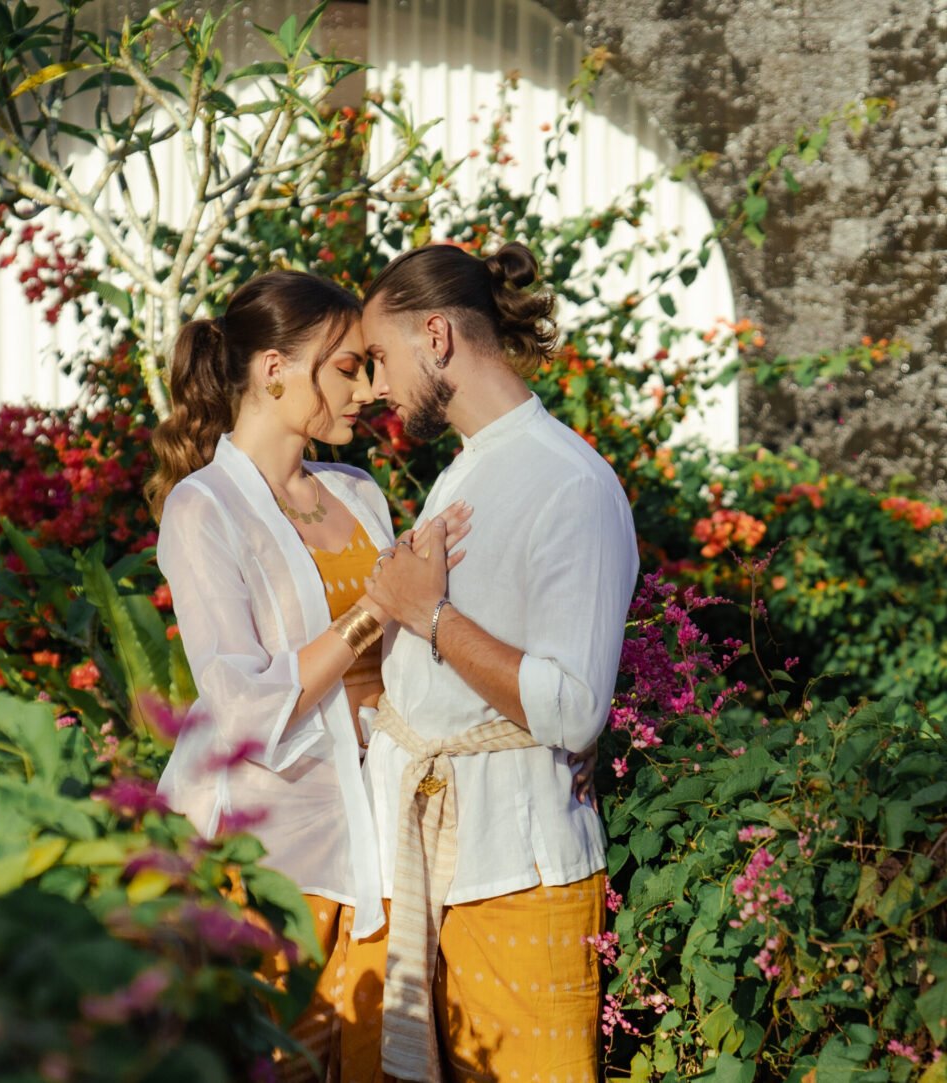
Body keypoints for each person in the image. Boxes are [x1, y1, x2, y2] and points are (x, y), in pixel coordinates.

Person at [146, 270, 470, 1081]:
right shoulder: (203, 508)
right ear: (273, 371)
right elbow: (241, 705)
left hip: (383, 835)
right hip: (274, 852)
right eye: (346, 368)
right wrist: (375, 607)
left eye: (367, 367)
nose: (366, 390)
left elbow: (408, 658)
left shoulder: (357, 493)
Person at [356, 242, 640, 1082]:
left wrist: (428, 615)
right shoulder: (466, 468)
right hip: (434, 865)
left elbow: (575, 707)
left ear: (436, 335)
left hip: (518, 874)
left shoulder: (571, 484)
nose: (373, 385)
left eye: (379, 356)